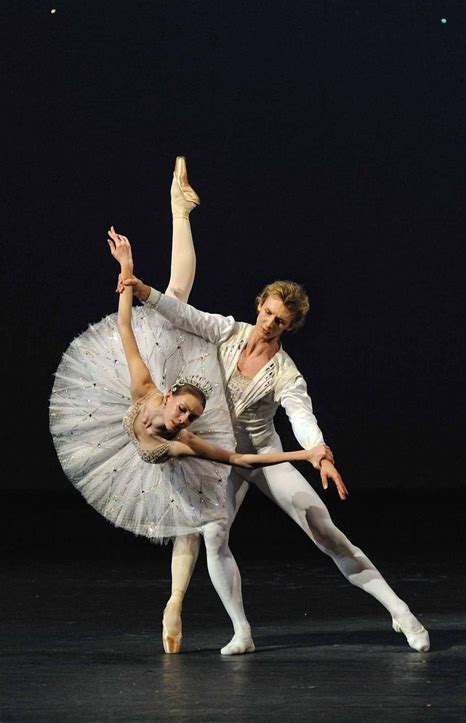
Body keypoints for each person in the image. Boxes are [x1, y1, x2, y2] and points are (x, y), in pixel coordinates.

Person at [120, 156, 431, 655]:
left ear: (288, 328)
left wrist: (318, 449)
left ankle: (401, 613)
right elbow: (186, 311)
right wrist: (147, 292)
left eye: (279, 321)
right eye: (266, 313)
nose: (268, 324)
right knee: (213, 536)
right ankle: (241, 631)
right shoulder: (228, 331)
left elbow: (300, 414)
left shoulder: (286, 373)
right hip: (218, 455)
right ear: (258, 307)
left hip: (262, 453)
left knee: (322, 528)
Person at [49, 157, 334, 656]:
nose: (181, 417)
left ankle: (179, 210)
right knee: (195, 522)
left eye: (179, 414)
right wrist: (304, 453)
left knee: (175, 296)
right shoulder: (181, 442)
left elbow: (125, 332)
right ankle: (176, 599)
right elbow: (239, 459)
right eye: (183, 416)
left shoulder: (146, 394)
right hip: (178, 419)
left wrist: (128, 273)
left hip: (156, 385)